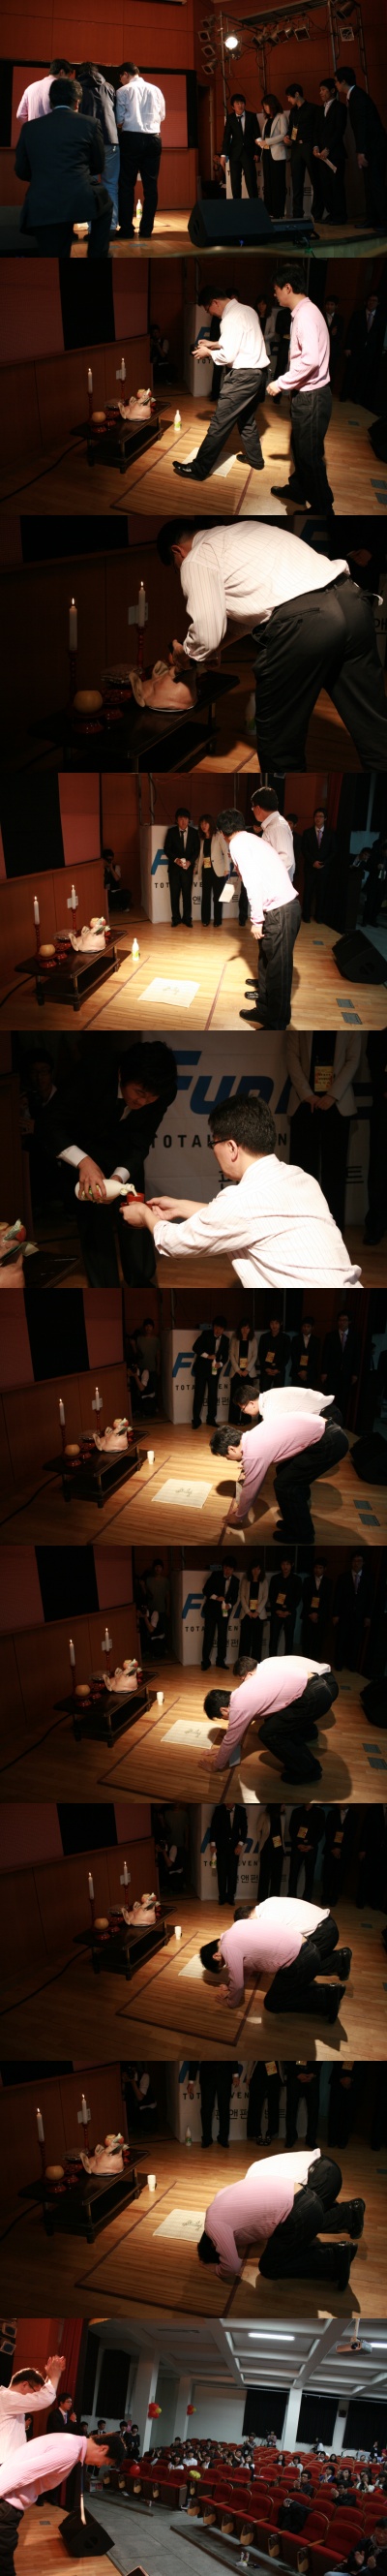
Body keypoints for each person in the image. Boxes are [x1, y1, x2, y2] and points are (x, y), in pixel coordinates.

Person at [156, 518, 387, 773]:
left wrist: (187, 654)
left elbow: (205, 636)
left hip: (305, 624)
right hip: (353, 602)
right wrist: (216, 648)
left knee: (280, 745)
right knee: (375, 729)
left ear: (177, 551)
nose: (181, 570)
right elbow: (252, 615)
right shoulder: (243, 531)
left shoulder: (197, 557)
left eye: (175, 568)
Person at [123, 1092, 362, 1287]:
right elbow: (247, 1218)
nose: (213, 1151)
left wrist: (144, 1215)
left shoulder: (242, 1200)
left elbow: (174, 1242)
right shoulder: (301, 1177)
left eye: (213, 1143)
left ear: (231, 1147)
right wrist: (179, 1207)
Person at [52, 1038, 177, 1287]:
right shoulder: (92, 1072)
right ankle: (104, 1288)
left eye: (151, 1098)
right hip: (84, 1149)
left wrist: (119, 1178)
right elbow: (50, 1124)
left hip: (126, 1155)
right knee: (95, 1223)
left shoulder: (163, 1093)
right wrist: (84, 1162)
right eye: (139, 1093)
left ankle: (141, 1282)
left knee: (136, 1216)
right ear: (122, 1074)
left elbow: (141, 1141)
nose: (143, 1102)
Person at [197, 2146, 364, 2284]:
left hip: (302, 2205)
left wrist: (215, 2268)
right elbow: (255, 2224)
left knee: (270, 2267)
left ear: (213, 2245)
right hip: (307, 2194)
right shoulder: (221, 2198)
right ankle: (348, 2216)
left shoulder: (214, 2226)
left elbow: (232, 2266)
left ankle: (335, 2258)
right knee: (294, 2231)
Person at [211, 1383, 348, 1543]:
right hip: (327, 1432)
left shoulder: (255, 1451)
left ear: (231, 1448)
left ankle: (303, 1535)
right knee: (284, 1473)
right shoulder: (250, 1435)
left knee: (286, 1485)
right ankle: (294, 1522)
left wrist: (239, 1516)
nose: (228, 1459)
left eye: (225, 1456)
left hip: (330, 1442)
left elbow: (251, 1488)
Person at [200, 1892, 350, 2018]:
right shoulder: (237, 1927)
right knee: (285, 1986)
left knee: (273, 2004)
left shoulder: (228, 1947)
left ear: (216, 1956)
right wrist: (230, 1985)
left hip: (301, 1960)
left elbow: (238, 1983)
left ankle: (328, 1996)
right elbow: (244, 1971)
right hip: (309, 1949)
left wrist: (230, 2003)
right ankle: (337, 1964)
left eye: (223, 1965)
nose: (227, 1964)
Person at [217, 807, 301, 1028]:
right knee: (265, 964)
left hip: (281, 910)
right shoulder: (250, 839)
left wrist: (256, 921)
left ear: (222, 833)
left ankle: (277, 1024)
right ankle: (264, 1010)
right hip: (277, 909)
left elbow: (253, 882)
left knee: (278, 973)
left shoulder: (237, 844)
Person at [0, 2429, 126, 2575]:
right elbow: (20, 2472)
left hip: (7, 2501)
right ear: (103, 2448)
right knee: (3, 2560)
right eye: (105, 2462)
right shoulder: (70, 2451)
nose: (99, 2466)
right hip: (6, 2504)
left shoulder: (69, 2442)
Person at [202, 1649, 339, 1782]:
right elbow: (239, 1730)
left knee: (269, 1733)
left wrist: (216, 1766)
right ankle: (305, 1754)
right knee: (274, 1724)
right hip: (317, 1686)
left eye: (221, 1717)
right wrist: (225, 1750)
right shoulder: (241, 1693)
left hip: (314, 1695)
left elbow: (231, 1737)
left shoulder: (239, 1705)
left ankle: (308, 1771)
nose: (225, 1720)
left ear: (224, 1710)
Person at [173, 292, 269, 483]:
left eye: (208, 310)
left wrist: (208, 352)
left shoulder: (230, 318)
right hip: (259, 374)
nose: (211, 314)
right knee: (246, 418)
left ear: (215, 302)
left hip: (242, 377)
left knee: (219, 424)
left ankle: (199, 469)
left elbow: (228, 356)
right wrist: (214, 344)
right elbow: (239, 341)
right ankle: (255, 459)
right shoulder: (248, 310)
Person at [15, 75, 113, 257]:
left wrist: (44, 177)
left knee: (53, 256)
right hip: (80, 196)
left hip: (42, 200)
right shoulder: (90, 124)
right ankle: (97, 255)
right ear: (77, 102)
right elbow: (98, 166)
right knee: (105, 205)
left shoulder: (29, 128)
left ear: (50, 101)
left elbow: (21, 170)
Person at [268, 268, 334, 517]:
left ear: (287, 287)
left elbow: (310, 360)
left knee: (310, 456)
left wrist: (281, 383)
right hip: (308, 394)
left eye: (276, 290)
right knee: (299, 448)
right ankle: (298, 489)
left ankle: (323, 510)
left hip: (312, 396)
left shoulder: (305, 315)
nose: (274, 295)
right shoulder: (306, 311)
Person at [286, 1032, 362, 1235]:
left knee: (334, 1173)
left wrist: (332, 1095)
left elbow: (353, 1059)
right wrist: (307, 1095)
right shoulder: (299, 1025)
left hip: (338, 1105)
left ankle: (332, 1232)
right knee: (302, 1173)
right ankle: (300, 1229)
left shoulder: (351, 1024)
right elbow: (292, 1057)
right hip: (304, 1104)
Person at [115, 61, 165, 238]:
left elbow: (119, 120)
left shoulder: (123, 91)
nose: (121, 81)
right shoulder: (156, 90)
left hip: (131, 138)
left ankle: (127, 229)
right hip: (153, 138)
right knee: (151, 186)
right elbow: (162, 116)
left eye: (121, 77)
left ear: (125, 74)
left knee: (126, 185)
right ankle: (146, 230)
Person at [334, 68, 387, 227]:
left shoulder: (357, 96)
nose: (336, 85)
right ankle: (372, 218)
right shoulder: (355, 96)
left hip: (374, 147)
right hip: (371, 146)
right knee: (369, 184)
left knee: (376, 184)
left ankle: (384, 221)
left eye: (336, 81)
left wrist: (361, 151)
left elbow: (362, 125)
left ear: (343, 81)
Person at [77, 62, 120, 230]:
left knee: (90, 185)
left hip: (87, 141)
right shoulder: (109, 87)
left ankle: (92, 228)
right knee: (111, 185)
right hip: (111, 140)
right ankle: (111, 227)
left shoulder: (77, 88)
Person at [341, 292, 386, 409]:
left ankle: (357, 397)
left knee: (363, 375)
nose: (372, 302)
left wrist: (378, 352)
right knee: (350, 373)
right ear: (366, 302)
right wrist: (347, 347)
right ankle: (344, 395)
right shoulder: (358, 314)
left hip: (370, 352)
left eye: (374, 300)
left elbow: (380, 337)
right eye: (370, 300)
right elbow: (350, 331)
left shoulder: (381, 318)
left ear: (378, 303)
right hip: (355, 349)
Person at [313, 78, 346, 222]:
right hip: (321, 155)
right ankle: (331, 213)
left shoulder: (340, 107)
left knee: (336, 184)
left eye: (324, 90)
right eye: (320, 90)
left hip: (335, 153)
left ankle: (340, 215)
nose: (321, 93)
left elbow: (339, 130)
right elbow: (316, 130)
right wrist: (316, 147)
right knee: (325, 185)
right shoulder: (319, 109)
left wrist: (328, 148)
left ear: (332, 90)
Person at [332, 1552, 372, 1668]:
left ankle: (352, 1664)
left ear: (363, 1563)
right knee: (341, 1639)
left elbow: (370, 1599)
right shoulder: (343, 1577)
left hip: (360, 1615)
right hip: (344, 1614)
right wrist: (335, 1614)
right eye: (354, 1561)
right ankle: (339, 1664)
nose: (356, 1563)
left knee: (355, 1641)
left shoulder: (368, 1578)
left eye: (359, 1561)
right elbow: (337, 1597)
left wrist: (368, 1616)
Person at [164, 805, 200, 928]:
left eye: (185, 818)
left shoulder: (194, 832)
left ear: (189, 820)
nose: (183, 821)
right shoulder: (171, 832)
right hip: (174, 869)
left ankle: (187, 919)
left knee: (187, 895)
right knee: (174, 895)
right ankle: (175, 919)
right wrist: (176, 860)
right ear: (176, 820)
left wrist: (190, 861)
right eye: (180, 818)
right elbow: (166, 849)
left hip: (187, 869)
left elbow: (197, 850)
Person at [187, 2062, 241, 2146]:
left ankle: (223, 2138)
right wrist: (191, 2081)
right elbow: (195, 2058)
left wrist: (236, 2075)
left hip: (224, 2075)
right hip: (207, 2076)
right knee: (206, 2109)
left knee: (224, 2108)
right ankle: (206, 2138)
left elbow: (231, 2054)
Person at [320, 1307, 361, 1418]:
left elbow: (357, 1356)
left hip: (347, 1374)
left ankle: (341, 1422)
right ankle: (328, 1421)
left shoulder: (355, 1336)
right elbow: (325, 1355)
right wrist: (324, 1372)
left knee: (344, 1400)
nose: (342, 1322)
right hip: (332, 1373)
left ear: (349, 1322)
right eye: (340, 1320)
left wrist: (355, 1373)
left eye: (345, 1320)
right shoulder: (331, 1336)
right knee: (330, 1399)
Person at [220, 95, 260, 199]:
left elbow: (257, 136)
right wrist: (223, 155)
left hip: (248, 153)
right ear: (233, 107)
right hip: (234, 154)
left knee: (251, 181)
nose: (240, 105)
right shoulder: (230, 118)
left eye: (242, 103)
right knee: (235, 182)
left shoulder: (251, 116)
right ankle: (237, 205)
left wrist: (257, 152)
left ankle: (254, 204)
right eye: (237, 103)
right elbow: (226, 137)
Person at [192, 1317, 229, 1428]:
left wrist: (220, 1364)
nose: (218, 1330)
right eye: (216, 1327)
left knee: (213, 1394)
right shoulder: (206, 1334)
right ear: (213, 1326)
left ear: (224, 1329)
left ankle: (211, 1419)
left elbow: (225, 1357)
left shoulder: (226, 1340)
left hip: (214, 1370)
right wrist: (207, 1356)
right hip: (201, 1369)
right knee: (199, 1394)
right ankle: (196, 1420)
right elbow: (195, 1347)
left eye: (221, 1328)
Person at [251, 785, 296, 879]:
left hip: (276, 884)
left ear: (258, 808)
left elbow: (286, 860)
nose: (252, 810)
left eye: (252, 807)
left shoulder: (277, 826)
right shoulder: (274, 825)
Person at [285, 85, 316, 215]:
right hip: (296, 147)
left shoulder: (313, 108)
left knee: (315, 180)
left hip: (309, 145)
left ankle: (317, 212)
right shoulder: (293, 111)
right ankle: (297, 212)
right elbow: (292, 128)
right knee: (297, 181)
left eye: (289, 97)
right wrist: (288, 137)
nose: (288, 100)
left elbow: (316, 130)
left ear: (297, 94)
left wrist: (316, 146)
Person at [201, 1562, 240, 1667]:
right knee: (208, 1635)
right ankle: (205, 1661)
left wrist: (229, 1605)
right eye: (226, 1568)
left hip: (224, 1612)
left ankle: (220, 1660)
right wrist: (216, 1597)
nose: (227, 1571)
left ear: (233, 1570)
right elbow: (205, 1590)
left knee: (222, 1636)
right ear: (223, 1567)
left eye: (230, 1569)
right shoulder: (215, 1575)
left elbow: (235, 1598)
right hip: (211, 1610)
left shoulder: (236, 1581)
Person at [302, 807, 336, 922]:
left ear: (325, 818)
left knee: (321, 893)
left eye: (321, 816)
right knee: (308, 892)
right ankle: (306, 915)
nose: (318, 818)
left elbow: (333, 851)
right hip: (310, 867)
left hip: (324, 868)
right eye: (316, 816)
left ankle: (319, 916)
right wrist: (313, 862)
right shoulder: (307, 832)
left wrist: (324, 863)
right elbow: (304, 850)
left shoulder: (330, 833)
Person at [258, 94, 289, 219]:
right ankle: (269, 210)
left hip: (277, 154)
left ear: (272, 104)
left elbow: (283, 135)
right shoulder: (267, 120)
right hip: (266, 153)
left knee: (278, 183)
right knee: (268, 183)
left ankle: (278, 212)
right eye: (264, 106)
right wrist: (261, 142)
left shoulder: (281, 117)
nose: (265, 108)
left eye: (266, 105)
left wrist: (267, 141)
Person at [209, 1803, 248, 1903]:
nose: (228, 1803)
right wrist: (213, 1844)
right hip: (221, 1846)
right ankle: (222, 1896)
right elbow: (213, 1828)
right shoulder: (218, 1809)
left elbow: (244, 1829)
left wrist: (240, 1845)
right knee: (221, 1872)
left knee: (233, 1872)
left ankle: (231, 1896)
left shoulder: (241, 1810)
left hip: (235, 1847)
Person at [196, 813, 230, 926]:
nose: (203, 826)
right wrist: (196, 867)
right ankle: (205, 920)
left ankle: (217, 921)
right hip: (206, 870)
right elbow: (201, 856)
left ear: (210, 823)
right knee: (205, 896)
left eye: (205, 823)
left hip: (218, 871)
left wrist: (227, 868)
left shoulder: (218, 836)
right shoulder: (202, 838)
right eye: (201, 824)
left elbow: (225, 852)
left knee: (217, 897)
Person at [236, 1559, 269, 1665]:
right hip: (246, 1615)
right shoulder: (245, 1580)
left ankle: (255, 1664)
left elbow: (265, 1597)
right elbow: (242, 1596)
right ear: (250, 1569)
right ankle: (243, 1664)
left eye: (258, 1569)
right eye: (254, 1568)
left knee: (257, 1642)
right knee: (245, 1641)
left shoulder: (264, 1581)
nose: (256, 1571)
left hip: (259, 1616)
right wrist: (248, 1611)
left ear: (261, 1570)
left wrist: (257, 1612)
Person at [288, 1802, 325, 1896]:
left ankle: (307, 1897)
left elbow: (320, 1831)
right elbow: (291, 1829)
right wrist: (298, 1844)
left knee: (310, 1874)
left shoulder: (320, 1812)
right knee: (293, 1873)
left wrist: (311, 1845)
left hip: (311, 1848)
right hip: (297, 1847)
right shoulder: (296, 1811)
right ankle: (291, 1896)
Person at [268, 1554, 302, 1652]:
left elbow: (297, 1598)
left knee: (289, 1639)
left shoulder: (297, 1579)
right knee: (273, 1639)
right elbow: (271, 1596)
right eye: (283, 1564)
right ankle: (272, 1660)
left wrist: (288, 1611)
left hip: (290, 1613)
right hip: (276, 1612)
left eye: (287, 1564)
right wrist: (277, 1610)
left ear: (292, 1565)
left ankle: (288, 1660)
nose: (285, 1567)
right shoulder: (275, 1578)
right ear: (280, 1565)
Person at [284, 2061, 321, 2147]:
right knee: (291, 2109)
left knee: (313, 2110)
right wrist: (297, 2073)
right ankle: (291, 2137)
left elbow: (321, 2059)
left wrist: (313, 2073)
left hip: (312, 2077)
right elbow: (287, 2059)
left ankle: (311, 2139)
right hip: (294, 2077)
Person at [302, 1558, 331, 1659]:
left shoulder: (328, 1582)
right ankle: (305, 1661)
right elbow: (304, 1598)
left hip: (321, 1616)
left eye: (320, 1568)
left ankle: (315, 1661)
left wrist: (318, 1614)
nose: (317, 1570)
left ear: (325, 1569)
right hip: (308, 1615)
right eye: (316, 1567)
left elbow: (327, 1600)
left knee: (318, 1641)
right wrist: (311, 1613)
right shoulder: (307, 1580)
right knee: (306, 1640)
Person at [229, 1320, 258, 1420]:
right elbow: (231, 1355)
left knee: (248, 1396)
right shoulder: (235, 1338)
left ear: (250, 1329)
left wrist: (247, 1370)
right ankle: (234, 1419)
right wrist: (238, 1370)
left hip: (248, 1373)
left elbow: (255, 1355)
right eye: (243, 1327)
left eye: (247, 1328)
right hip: (236, 1372)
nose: (245, 1330)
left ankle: (246, 1419)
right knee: (235, 1396)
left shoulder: (253, 1339)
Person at [247, 2060, 281, 2141]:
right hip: (259, 2066)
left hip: (272, 2065)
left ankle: (272, 2132)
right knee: (255, 2103)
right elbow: (251, 2058)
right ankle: (255, 2132)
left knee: (273, 2103)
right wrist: (248, 2075)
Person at [258, 1312, 291, 1391]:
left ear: (281, 1324)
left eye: (276, 1323)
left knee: (278, 1393)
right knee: (264, 1392)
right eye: (272, 1323)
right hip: (266, 1370)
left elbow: (286, 1355)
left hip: (279, 1370)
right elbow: (260, 1354)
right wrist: (266, 1368)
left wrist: (278, 1369)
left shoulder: (286, 1338)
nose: (274, 1326)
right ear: (269, 1324)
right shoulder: (264, 1337)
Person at [291, 1316, 320, 1388]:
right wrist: (300, 1371)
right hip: (297, 1372)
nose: (306, 1328)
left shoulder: (316, 1340)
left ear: (312, 1328)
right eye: (304, 1326)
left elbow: (315, 1358)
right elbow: (293, 1356)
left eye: (308, 1326)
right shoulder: (295, 1339)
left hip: (310, 1373)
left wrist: (306, 1371)